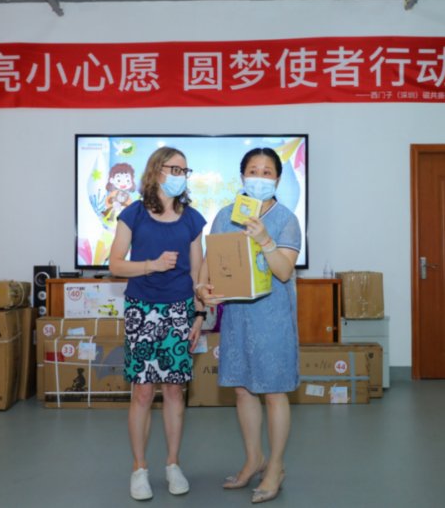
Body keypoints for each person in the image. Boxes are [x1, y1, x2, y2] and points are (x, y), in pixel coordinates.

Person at [197, 147, 301, 504]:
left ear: (278, 180)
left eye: (267, 172)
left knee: (273, 391)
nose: (259, 178)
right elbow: (209, 262)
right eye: (253, 171)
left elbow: (283, 271)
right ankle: (254, 458)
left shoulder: (286, 219)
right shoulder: (226, 216)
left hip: (272, 319)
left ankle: (275, 467)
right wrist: (201, 288)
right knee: (242, 389)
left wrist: (264, 239)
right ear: (242, 177)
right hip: (237, 317)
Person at [108, 147, 207, 501]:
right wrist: (151, 265)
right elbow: (115, 265)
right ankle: (139, 469)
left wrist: (199, 315)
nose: (180, 175)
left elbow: (198, 273)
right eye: (174, 168)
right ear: (156, 170)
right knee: (143, 393)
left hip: (179, 310)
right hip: (141, 308)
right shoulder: (133, 213)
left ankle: (172, 464)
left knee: (175, 392)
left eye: (184, 170)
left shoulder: (192, 219)